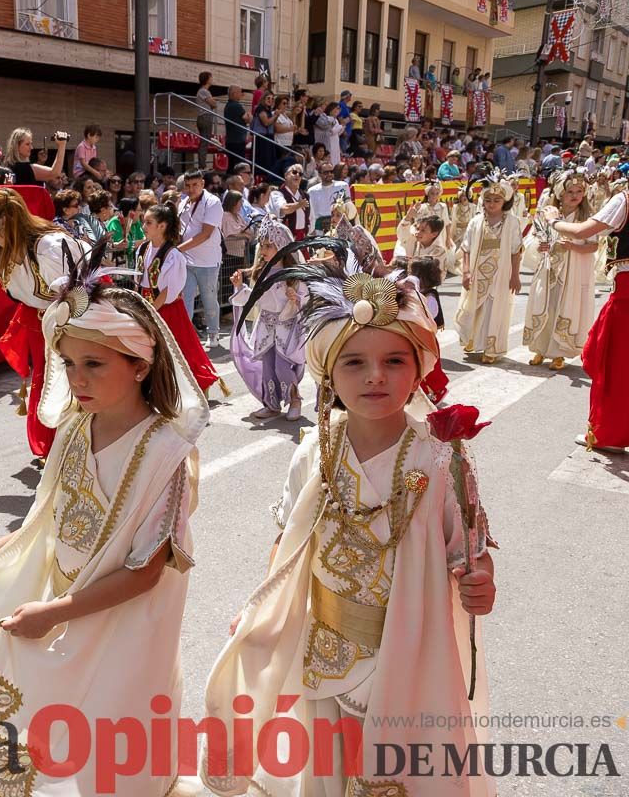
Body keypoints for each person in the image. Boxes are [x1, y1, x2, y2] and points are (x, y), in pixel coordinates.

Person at [203, 236, 497, 797]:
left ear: (419, 371)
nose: (375, 377)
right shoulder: (315, 450)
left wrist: (480, 582)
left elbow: (468, 551)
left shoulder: (443, 456)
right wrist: (261, 605)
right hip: (327, 645)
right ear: (327, 376)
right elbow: (288, 540)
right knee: (331, 767)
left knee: (397, 774)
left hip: (408, 651)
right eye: (355, 363)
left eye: (393, 361)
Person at [0, 261, 208, 796]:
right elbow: (53, 513)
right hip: (71, 605)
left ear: (139, 365)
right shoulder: (74, 428)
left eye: (94, 363)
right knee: (70, 729)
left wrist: (55, 613)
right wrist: (1, 547)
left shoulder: (166, 452)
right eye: (67, 364)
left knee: (118, 740)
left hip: (128, 623)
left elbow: (145, 573)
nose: (77, 379)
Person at [0, 188, 87, 460]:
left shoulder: (49, 247)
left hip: (77, 319)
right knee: (48, 380)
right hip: (43, 323)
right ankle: (58, 447)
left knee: (77, 380)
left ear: (5, 221)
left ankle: (82, 444)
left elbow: (79, 295)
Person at [541, 179, 629, 451]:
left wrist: (554, 220)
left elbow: (581, 231)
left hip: (627, 293)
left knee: (616, 364)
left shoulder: (624, 200)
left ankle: (609, 433)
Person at [137, 203, 230, 399]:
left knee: (181, 349)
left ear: (162, 226)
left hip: (168, 309)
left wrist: (152, 311)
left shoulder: (173, 255)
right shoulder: (143, 249)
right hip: (148, 307)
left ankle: (199, 387)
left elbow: (169, 289)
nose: (144, 226)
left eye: (148, 222)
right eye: (143, 222)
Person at [228, 214, 308, 421]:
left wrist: (296, 297)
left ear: (281, 246)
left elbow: (307, 297)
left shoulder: (294, 273)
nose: (262, 251)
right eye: (261, 246)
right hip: (266, 325)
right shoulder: (262, 271)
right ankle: (271, 404)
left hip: (286, 326)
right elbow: (254, 298)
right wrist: (239, 287)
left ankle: (295, 399)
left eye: (268, 246)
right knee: (267, 368)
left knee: (282, 367)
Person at [523, 171, 597, 371]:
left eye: (579, 191)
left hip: (572, 272)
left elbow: (593, 246)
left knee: (564, 306)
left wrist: (574, 247)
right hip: (548, 269)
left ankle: (558, 353)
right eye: (570, 191)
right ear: (559, 194)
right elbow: (532, 238)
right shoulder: (547, 214)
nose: (574, 195)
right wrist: (540, 247)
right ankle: (541, 348)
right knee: (546, 304)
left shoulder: (587, 218)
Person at [457, 174, 522, 363]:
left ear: (505, 201)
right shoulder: (476, 221)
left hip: (499, 274)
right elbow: (467, 248)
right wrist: (466, 271)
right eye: (488, 200)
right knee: (475, 306)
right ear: (482, 201)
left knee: (494, 308)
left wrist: (515, 276)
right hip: (477, 272)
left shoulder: (512, 222)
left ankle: (491, 348)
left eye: (497, 200)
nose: (492, 204)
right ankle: (473, 339)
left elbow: (515, 250)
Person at [176, 169, 225, 346]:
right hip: (186, 261)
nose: (191, 189)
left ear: (202, 184)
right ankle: (187, 339)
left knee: (209, 299)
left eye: (195, 185)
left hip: (208, 262)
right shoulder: (182, 203)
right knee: (185, 300)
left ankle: (213, 333)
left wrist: (176, 249)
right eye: (187, 185)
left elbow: (205, 234)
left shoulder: (213, 202)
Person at [268, 163, 310, 239]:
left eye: (300, 174)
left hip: (302, 238)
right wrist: (299, 205)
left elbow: (311, 218)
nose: (297, 175)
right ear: (286, 175)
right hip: (284, 238)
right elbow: (284, 209)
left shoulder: (305, 195)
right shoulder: (277, 193)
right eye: (294, 172)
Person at [222, 84, 249, 166]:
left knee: (232, 165)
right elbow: (248, 119)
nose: (242, 94)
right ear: (234, 94)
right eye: (240, 92)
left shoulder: (228, 105)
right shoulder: (236, 106)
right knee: (238, 166)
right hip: (237, 141)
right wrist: (249, 115)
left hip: (232, 140)